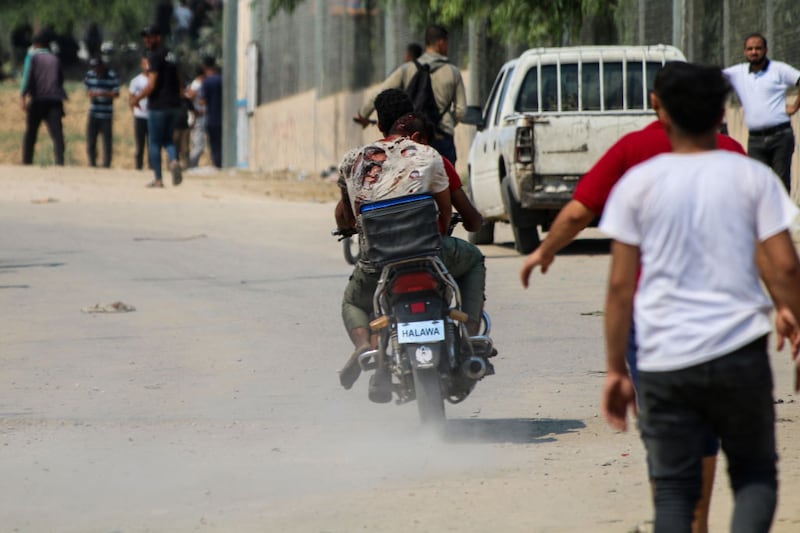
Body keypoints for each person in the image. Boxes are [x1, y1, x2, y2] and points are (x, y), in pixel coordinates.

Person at [519, 96, 749, 533]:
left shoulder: (633, 151)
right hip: (719, 319)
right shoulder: (732, 152)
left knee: (664, 429)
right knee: (706, 429)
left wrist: (544, 250)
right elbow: (768, 245)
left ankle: (673, 518)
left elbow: (580, 211)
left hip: (655, 320)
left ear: (655, 103)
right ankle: (695, 522)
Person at [600, 61, 800, 533]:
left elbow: (619, 287)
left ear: (659, 110)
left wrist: (614, 368)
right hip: (740, 354)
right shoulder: (752, 178)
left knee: (673, 488)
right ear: (723, 114)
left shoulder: (638, 185)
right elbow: (786, 265)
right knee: (753, 472)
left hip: (664, 359)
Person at [338, 89, 486, 398]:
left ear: (379, 125)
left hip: (379, 259)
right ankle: (470, 334)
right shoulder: (429, 155)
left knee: (354, 301)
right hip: (429, 251)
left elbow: (348, 218)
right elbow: (447, 212)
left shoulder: (354, 160)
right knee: (473, 260)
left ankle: (366, 345)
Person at [354, 25, 467, 164]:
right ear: (441, 42)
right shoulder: (453, 72)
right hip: (443, 138)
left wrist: (363, 114)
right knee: (446, 180)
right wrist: (448, 121)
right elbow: (461, 111)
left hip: (413, 137)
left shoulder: (407, 69)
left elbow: (381, 93)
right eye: (447, 43)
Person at [724, 32, 800, 193]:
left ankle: (783, 218)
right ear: (745, 52)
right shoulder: (738, 73)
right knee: (756, 184)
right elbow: (711, 77)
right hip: (755, 139)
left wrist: (794, 106)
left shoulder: (778, 69)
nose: (754, 52)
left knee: (780, 182)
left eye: (758, 48)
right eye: (750, 49)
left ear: (765, 50)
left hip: (780, 136)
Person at [130, 25, 183, 188]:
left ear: (159, 37)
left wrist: (136, 98)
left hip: (159, 105)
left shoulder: (154, 57)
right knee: (168, 139)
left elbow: (152, 84)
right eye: (145, 37)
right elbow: (180, 80)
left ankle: (158, 179)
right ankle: (174, 161)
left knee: (154, 141)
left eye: (150, 36)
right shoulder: (171, 55)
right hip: (174, 105)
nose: (147, 40)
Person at [21, 30, 67, 166]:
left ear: (37, 44)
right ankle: (60, 162)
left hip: (38, 99)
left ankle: (27, 161)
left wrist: (23, 96)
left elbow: (29, 79)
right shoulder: (55, 59)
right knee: (57, 134)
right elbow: (60, 79)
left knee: (31, 133)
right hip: (54, 100)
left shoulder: (34, 59)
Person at [83, 57, 120, 168]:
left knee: (107, 140)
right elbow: (87, 90)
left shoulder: (112, 75)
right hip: (94, 112)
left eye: (97, 67)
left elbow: (116, 93)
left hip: (106, 113)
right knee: (91, 139)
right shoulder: (90, 75)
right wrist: (91, 94)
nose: (96, 70)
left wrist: (102, 94)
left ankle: (106, 164)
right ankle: (92, 162)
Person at [129, 56, 150, 170]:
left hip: (151, 116)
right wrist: (134, 111)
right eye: (145, 64)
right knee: (139, 144)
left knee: (152, 144)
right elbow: (131, 98)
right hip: (140, 116)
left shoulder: (154, 80)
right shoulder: (136, 81)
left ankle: (152, 166)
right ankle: (138, 167)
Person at [200, 56, 222, 168]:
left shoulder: (206, 82)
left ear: (204, 67)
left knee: (214, 144)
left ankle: (217, 164)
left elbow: (203, 101)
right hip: (224, 118)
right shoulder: (222, 79)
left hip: (212, 118)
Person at [185, 64, 206, 167]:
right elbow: (190, 98)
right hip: (198, 118)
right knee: (199, 146)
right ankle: (191, 164)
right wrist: (194, 112)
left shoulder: (198, 84)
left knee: (200, 145)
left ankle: (193, 164)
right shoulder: (197, 84)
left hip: (201, 117)